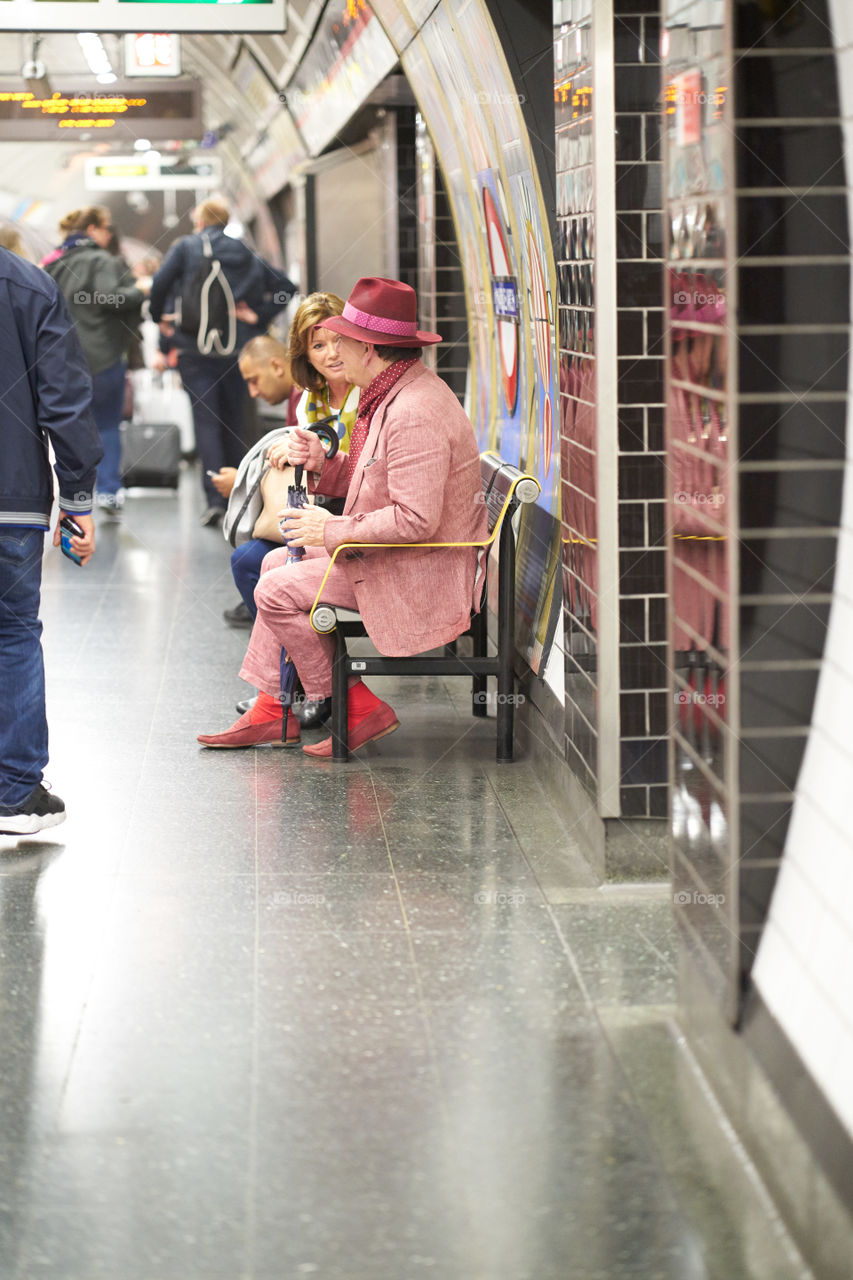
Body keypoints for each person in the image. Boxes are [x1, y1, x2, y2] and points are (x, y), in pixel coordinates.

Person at [197, 276, 488, 757]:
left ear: (369, 349)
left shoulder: (413, 410)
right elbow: (369, 477)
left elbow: (416, 520)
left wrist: (328, 529)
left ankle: (346, 704)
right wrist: (323, 464)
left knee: (273, 585)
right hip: (399, 556)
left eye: (342, 341)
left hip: (421, 572)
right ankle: (278, 708)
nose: (333, 353)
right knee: (272, 565)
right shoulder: (392, 393)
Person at [0, 246, 102, 835]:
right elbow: (64, 400)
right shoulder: (30, 286)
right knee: (12, 633)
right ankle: (13, 795)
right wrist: (79, 502)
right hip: (11, 503)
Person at [148, 199, 296, 527]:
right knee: (236, 421)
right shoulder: (243, 251)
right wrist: (258, 315)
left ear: (199, 221)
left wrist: (161, 319)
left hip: (194, 350)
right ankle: (240, 493)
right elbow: (287, 288)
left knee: (207, 423)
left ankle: (215, 498)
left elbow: (159, 284)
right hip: (240, 353)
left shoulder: (186, 248)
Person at [215, 295, 359, 631]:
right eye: (319, 345)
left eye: (339, 340)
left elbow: (373, 472)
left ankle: (311, 673)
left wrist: (316, 459)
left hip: (355, 523)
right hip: (313, 513)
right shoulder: (310, 398)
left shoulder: (369, 393)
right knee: (247, 559)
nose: (332, 353)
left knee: (260, 564)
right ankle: (297, 668)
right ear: (305, 354)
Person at [44, 206, 149, 517]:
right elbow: (110, 297)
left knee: (69, 427)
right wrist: (138, 291)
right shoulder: (102, 260)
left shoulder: (53, 263)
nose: (109, 234)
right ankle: (107, 491)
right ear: (92, 230)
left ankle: (72, 493)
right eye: (106, 228)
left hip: (61, 360)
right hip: (102, 357)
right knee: (105, 425)